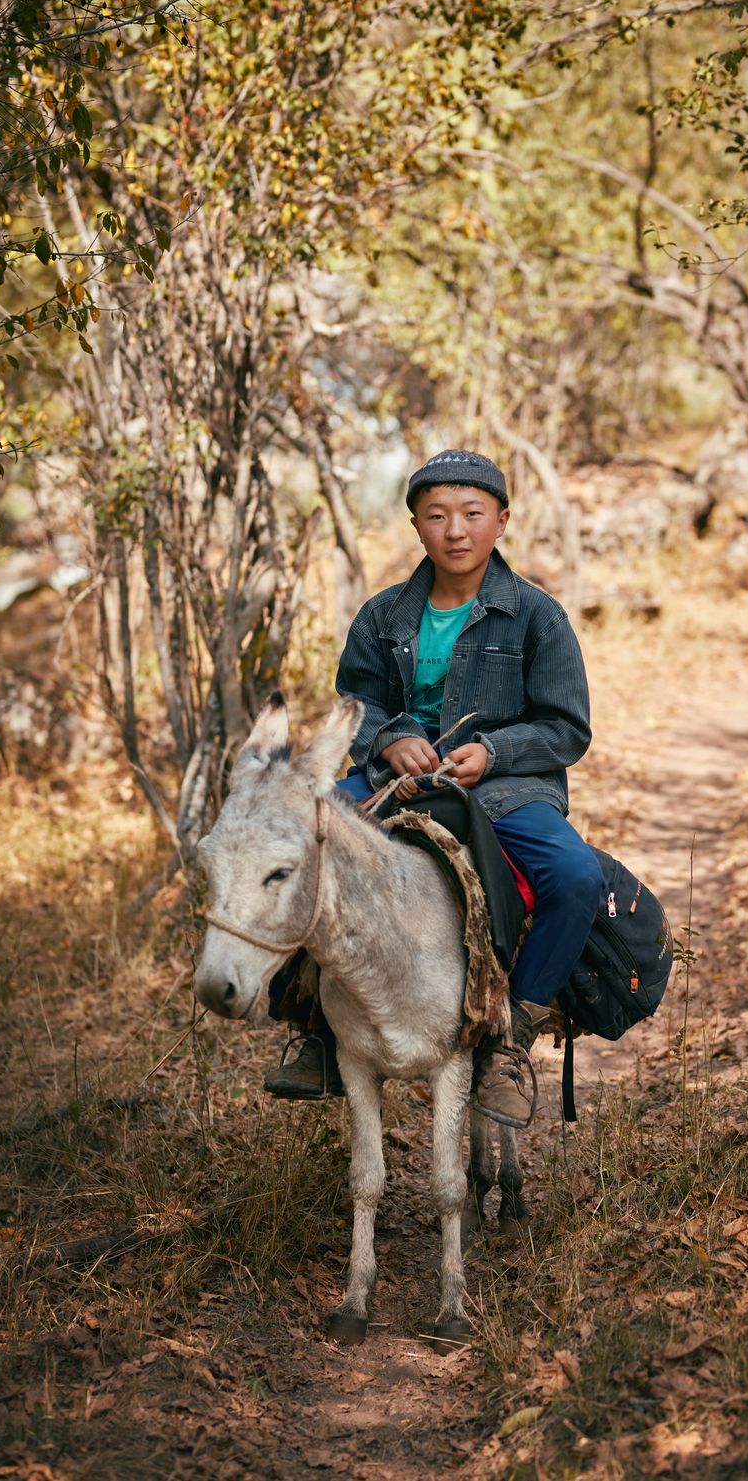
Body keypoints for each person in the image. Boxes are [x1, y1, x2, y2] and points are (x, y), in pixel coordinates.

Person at [264, 448, 604, 1127]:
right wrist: (390, 738)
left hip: (505, 789)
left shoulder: (539, 617)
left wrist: (494, 750)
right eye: (438, 515)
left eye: (472, 514)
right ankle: (317, 1027)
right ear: (416, 524)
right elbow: (355, 708)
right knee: (308, 841)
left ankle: (511, 1040)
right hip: (395, 783)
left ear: (501, 521)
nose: (456, 530)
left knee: (576, 876)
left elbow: (568, 727)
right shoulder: (381, 616)